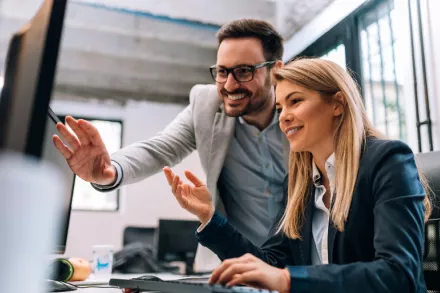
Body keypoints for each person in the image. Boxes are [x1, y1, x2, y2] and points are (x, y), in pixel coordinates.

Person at [162, 58, 431, 293]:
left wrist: (288, 280)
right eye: (280, 108)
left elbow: (398, 274)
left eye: (295, 102)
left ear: (337, 104)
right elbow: (271, 264)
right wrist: (209, 218)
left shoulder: (388, 161)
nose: (284, 118)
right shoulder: (299, 184)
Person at [52, 19, 288, 268]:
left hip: (302, 264)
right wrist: (110, 170)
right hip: (234, 264)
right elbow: (159, 148)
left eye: (244, 71)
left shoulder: (302, 112)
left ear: (276, 71)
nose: (229, 85)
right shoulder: (206, 105)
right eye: (222, 71)